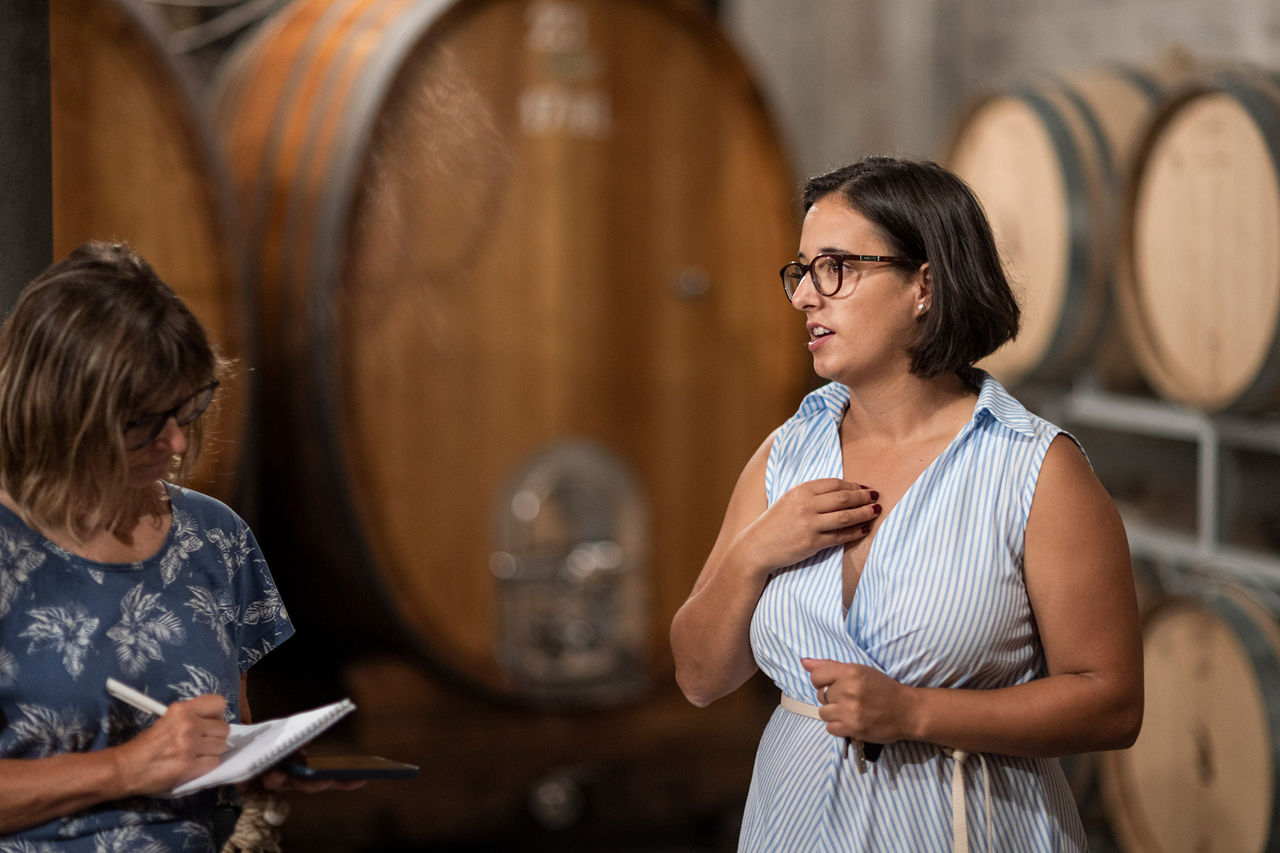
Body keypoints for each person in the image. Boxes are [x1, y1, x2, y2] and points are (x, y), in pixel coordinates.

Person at [670, 156, 1143, 851]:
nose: (805, 295)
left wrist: (916, 711)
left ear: (924, 283)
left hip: (968, 828)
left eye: (835, 267)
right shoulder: (785, 455)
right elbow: (699, 677)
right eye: (801, 270)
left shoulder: (1034, 467)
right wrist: (754, 553)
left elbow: (1112, 702)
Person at [0, 242, 327, 851]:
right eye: (145, 421)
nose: (177, 442)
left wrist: (260, 765)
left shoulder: (214, 537)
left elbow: (228, 739)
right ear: (60, 412)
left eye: (187, 407)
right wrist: (126, 768)